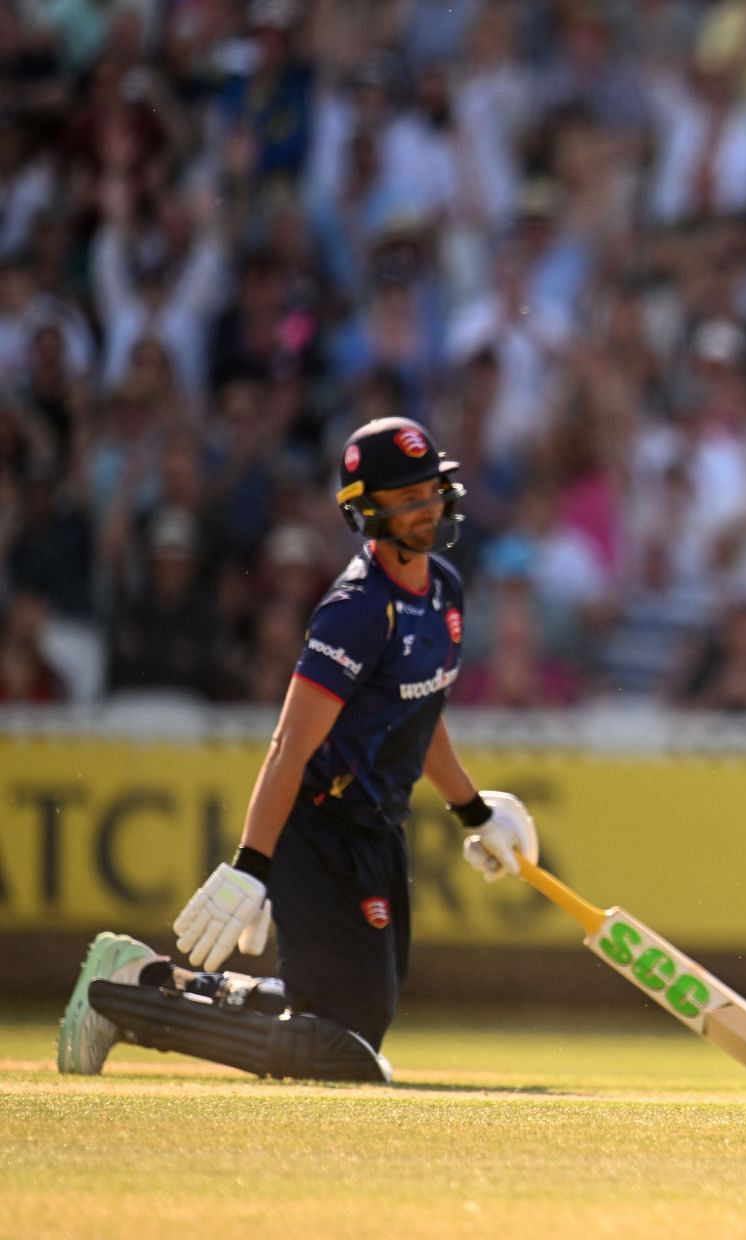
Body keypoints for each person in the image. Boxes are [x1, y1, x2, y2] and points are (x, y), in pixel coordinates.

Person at [57, 416, 540, 1082]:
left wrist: (473, 810)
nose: (425, 510)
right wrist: (253, 866)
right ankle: (124, 1003)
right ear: (367, 513)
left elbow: (420, 713)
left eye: (429, 491)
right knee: (342, 1056)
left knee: (346, 1027)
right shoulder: (357, 609)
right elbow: (290, 744)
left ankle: (144, 978)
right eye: (405, 501)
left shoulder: (446, 591)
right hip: (320, 830)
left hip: (376, 831)